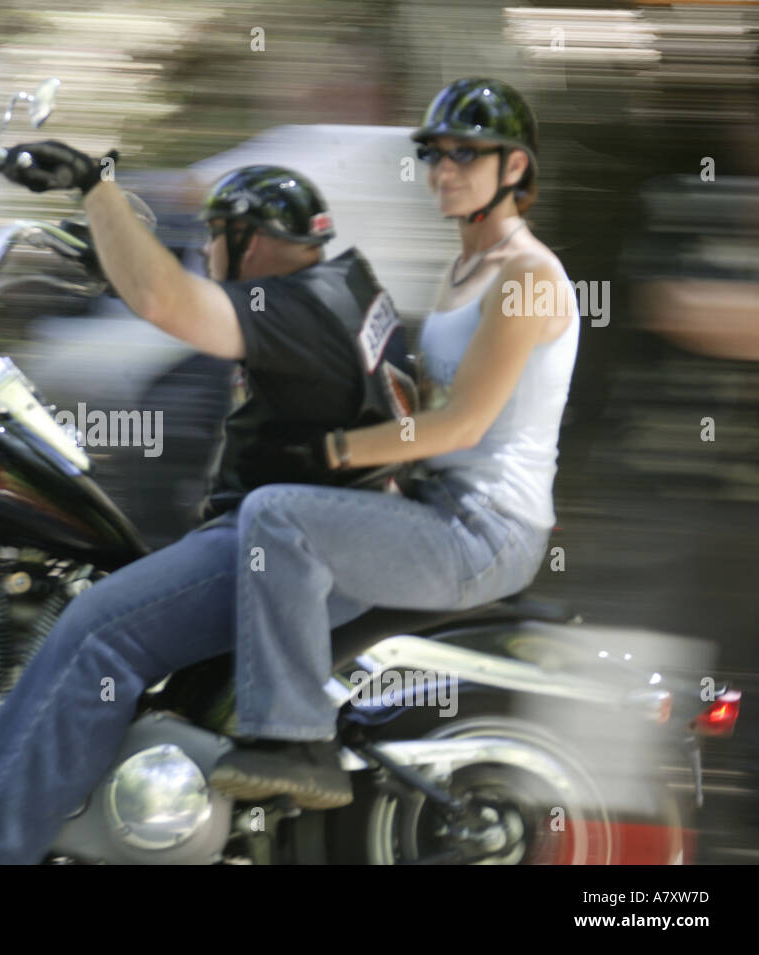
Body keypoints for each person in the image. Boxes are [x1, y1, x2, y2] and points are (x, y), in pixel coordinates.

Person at [0, 158, 416, 864]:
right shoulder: (336, 291)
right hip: (314, 532)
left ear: (249, 238)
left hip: (293, 548)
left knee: (97, 628)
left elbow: (164, 297)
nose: (204, 253)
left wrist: (94, 186)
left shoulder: (291, 305)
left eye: (212, 238)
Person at [211, 77, 579, 802]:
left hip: (480, 530)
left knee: (278, 516)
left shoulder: (529, 278)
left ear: (514, 168)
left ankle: (291, 744)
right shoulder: (464, 269)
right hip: (439, 506)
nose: (444, 169)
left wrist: (332, 454)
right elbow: (431, 402)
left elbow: (462, 425)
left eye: (466, 154)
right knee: (253, 602)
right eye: (434, 154)